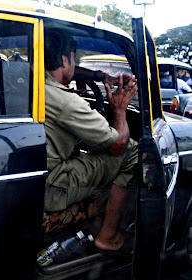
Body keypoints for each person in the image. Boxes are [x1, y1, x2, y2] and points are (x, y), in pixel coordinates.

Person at [44, 30, 138, 254]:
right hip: (54, 187)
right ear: (66, 59)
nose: (75, 64)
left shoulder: (31, 81)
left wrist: (98, 76)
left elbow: (66, 73)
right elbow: (118, 145)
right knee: (132, 151)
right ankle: (107, 236)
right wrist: (120, 110)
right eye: (73, 58)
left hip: (36, 176)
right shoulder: (66, 102)